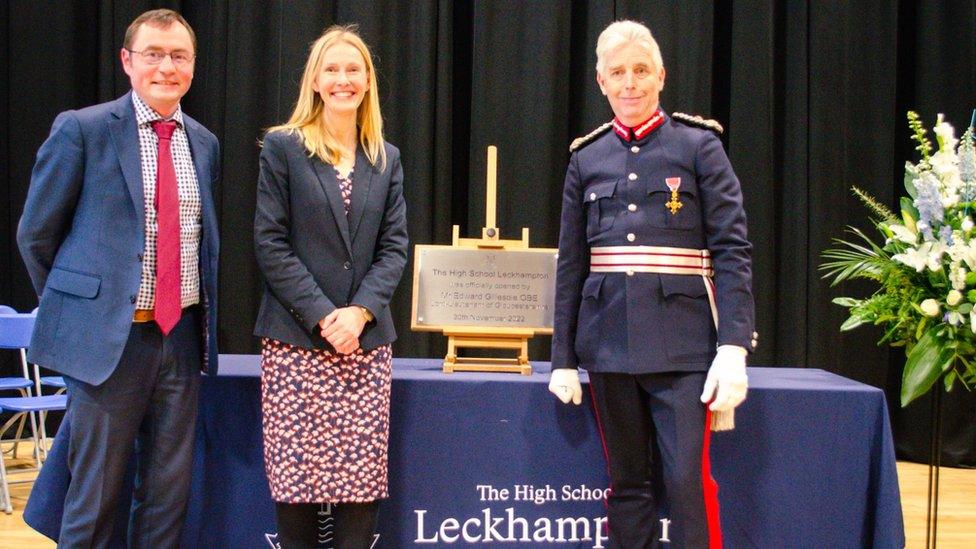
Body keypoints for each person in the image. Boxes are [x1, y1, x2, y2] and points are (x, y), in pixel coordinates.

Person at [548, 20, 756, 548]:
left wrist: (733, 345)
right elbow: (572, 265)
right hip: (609, 344)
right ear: (601, 81)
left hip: (685, 348)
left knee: (686, 483)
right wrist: (563, 358)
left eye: (641, 71)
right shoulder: (586, 158)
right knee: (628, 486)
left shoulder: (699, 146)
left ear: (661, 75)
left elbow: (732, 249)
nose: (630, 83)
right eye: (618, 73)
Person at [17, 9, 220, 547]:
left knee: (166, 494)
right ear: (128, 61)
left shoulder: (203, 142)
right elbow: (36, 235)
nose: (166, 66)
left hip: (179, 338)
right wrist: (83, 312)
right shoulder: (82, 129)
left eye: (178, 56)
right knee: (95, 494)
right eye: (153, 53)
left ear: (193, 67)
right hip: (109, 342)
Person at [253, 24, 408, 549]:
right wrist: (325, 315)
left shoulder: (385, 156)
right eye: (332, 69)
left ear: (368, 81)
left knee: (359, 484)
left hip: (364, 346)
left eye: (353, 69)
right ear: (315, 80)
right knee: (297, 483)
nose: (343, 79)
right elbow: (270, 243)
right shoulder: (283, 148)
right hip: (297, 342)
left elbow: (394, 249)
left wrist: (359, 312)